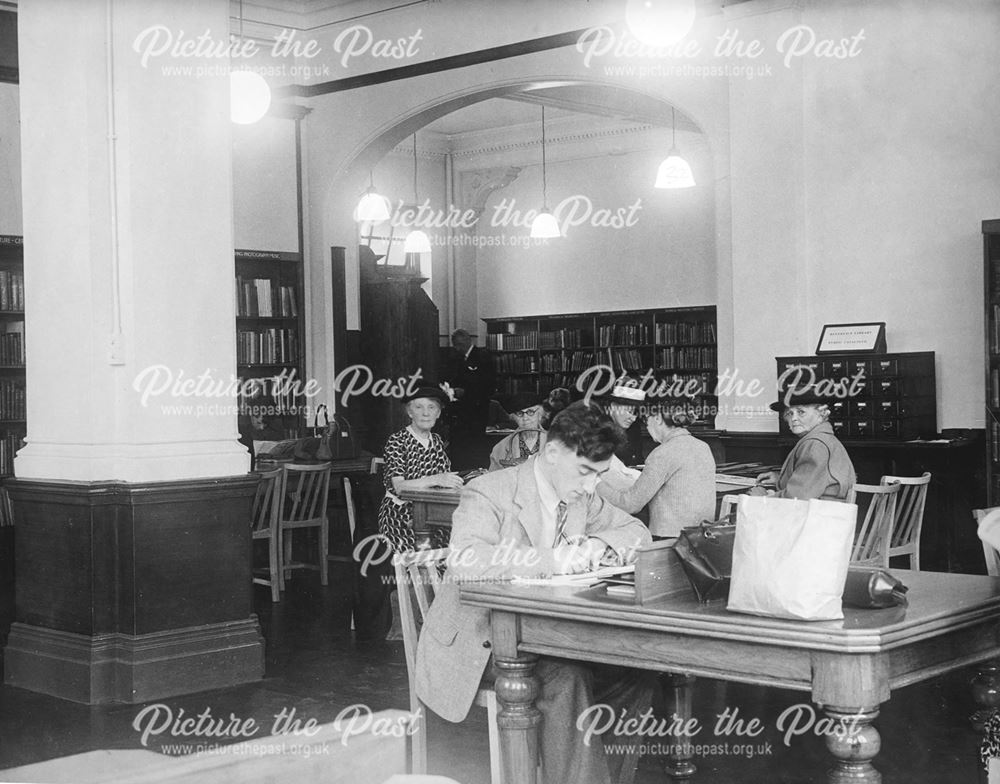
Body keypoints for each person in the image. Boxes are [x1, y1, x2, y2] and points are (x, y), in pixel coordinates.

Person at [416, 402, 653, 784]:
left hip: (546, 635)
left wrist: (595, 545)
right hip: (480, 641)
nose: (592, 486)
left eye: (600, 474)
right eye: (586, 472)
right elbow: (467, 562)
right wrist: (554, 560)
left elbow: (637, 533)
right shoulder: (489, 491)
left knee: (634, 672)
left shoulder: (582, 495)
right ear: (553, 453)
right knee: (565, 676)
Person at [597, 405, 716, 538]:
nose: (647, 428)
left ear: (658, 419)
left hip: (671, 541)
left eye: (647, 422)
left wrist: (596, 483)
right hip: (702, 537)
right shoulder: (703, 447)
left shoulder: (663, 453)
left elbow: (630, 504)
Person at [377, 385, 464, 553]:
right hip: (401, 516)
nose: (426, 413)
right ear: (410, 412)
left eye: (432, 407)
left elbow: (445, 482)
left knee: (453, 554)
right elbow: (399, 486)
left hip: (433, 514)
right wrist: (436, 479)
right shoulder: (397, 441)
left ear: (438, 413)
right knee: (422, 563)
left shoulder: (437, 441)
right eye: (419, 407)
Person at [750, 391, 856, 501]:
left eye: (801, 412)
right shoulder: (822, 439)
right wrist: (780, 479)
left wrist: (763, 498)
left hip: (817, 515)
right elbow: (815, 482)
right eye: (790, 413)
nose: (794, 418)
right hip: (822, 512)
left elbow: (798, 497)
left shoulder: (815, 444)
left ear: (821, 414)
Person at [442, 328, 496, 469]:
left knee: (474, 446)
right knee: (462, 448)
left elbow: (488, 385)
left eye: (458, 344)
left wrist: (465, 393)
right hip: (462, 412)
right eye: (454, 344)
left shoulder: (482, 356)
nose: (456, 348)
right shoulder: (458, 359)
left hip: (477, 412)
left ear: (467, 340)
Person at [487, 390, 547, 470]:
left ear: (540, 414)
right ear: (514, 418)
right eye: (520, 413)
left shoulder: (557, 442)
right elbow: (494, 479)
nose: (525, 418)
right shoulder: (500, 448)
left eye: (530, 412)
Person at [597, 383, 647, 466]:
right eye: (629, 411)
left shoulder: (634, 429)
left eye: (635, 413)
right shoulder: (598, 430)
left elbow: (638, 460)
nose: (633, 419)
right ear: (613, 406)